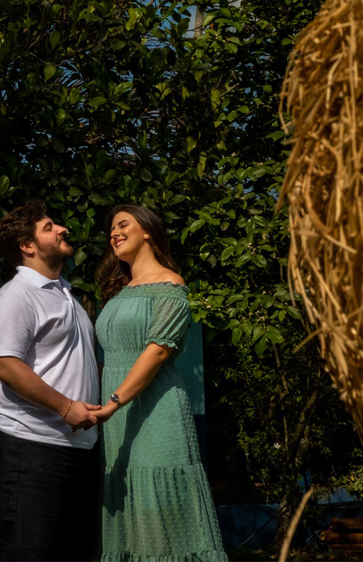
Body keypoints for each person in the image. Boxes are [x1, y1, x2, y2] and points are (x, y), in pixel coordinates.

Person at [91, 205, 226, 561]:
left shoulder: (170, 284)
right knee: (131, 515)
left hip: (155, 413)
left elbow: (158, 352)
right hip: (117, 418)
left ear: (147, 231)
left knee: (161, 516)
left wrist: (114, 401)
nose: (114, 233)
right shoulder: (118, 293)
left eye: (123, 225)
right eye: (111, 229)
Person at [0, 200, 101, 561]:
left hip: (78, 446)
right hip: (30, 442)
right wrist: (65, 406)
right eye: (49, 227)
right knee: (30, 553)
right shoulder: (17, 296)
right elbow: (5, 364)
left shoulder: (65, 293)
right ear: (27, 246)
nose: (62, 229)